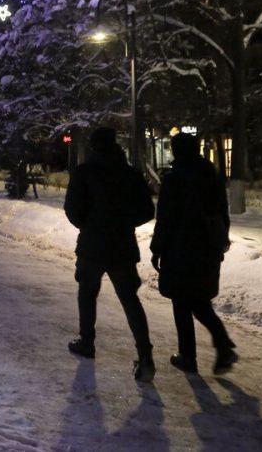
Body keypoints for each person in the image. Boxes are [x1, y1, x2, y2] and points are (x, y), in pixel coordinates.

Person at [63, 127, 156, 382]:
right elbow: (148, 210)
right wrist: (124, 223)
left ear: (94, 146)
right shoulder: (129, 174)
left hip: (92, 245)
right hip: (122, 246)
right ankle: (145, 355)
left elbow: (72, 208)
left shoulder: (84, 173)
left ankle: (87, 341)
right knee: (130, 300)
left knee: (87, 294)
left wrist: (89, 223)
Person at [151, 132, 237, 375]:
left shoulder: (174, 179)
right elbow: (223, 213)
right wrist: (220, 243)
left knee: (183, 301)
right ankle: (221, 346)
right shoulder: (211, 176)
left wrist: (157, 248)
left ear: (177, 152)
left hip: (180, 248)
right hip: (208, 247)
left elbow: (165, 219)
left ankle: (190, 355)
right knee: (198, 299)